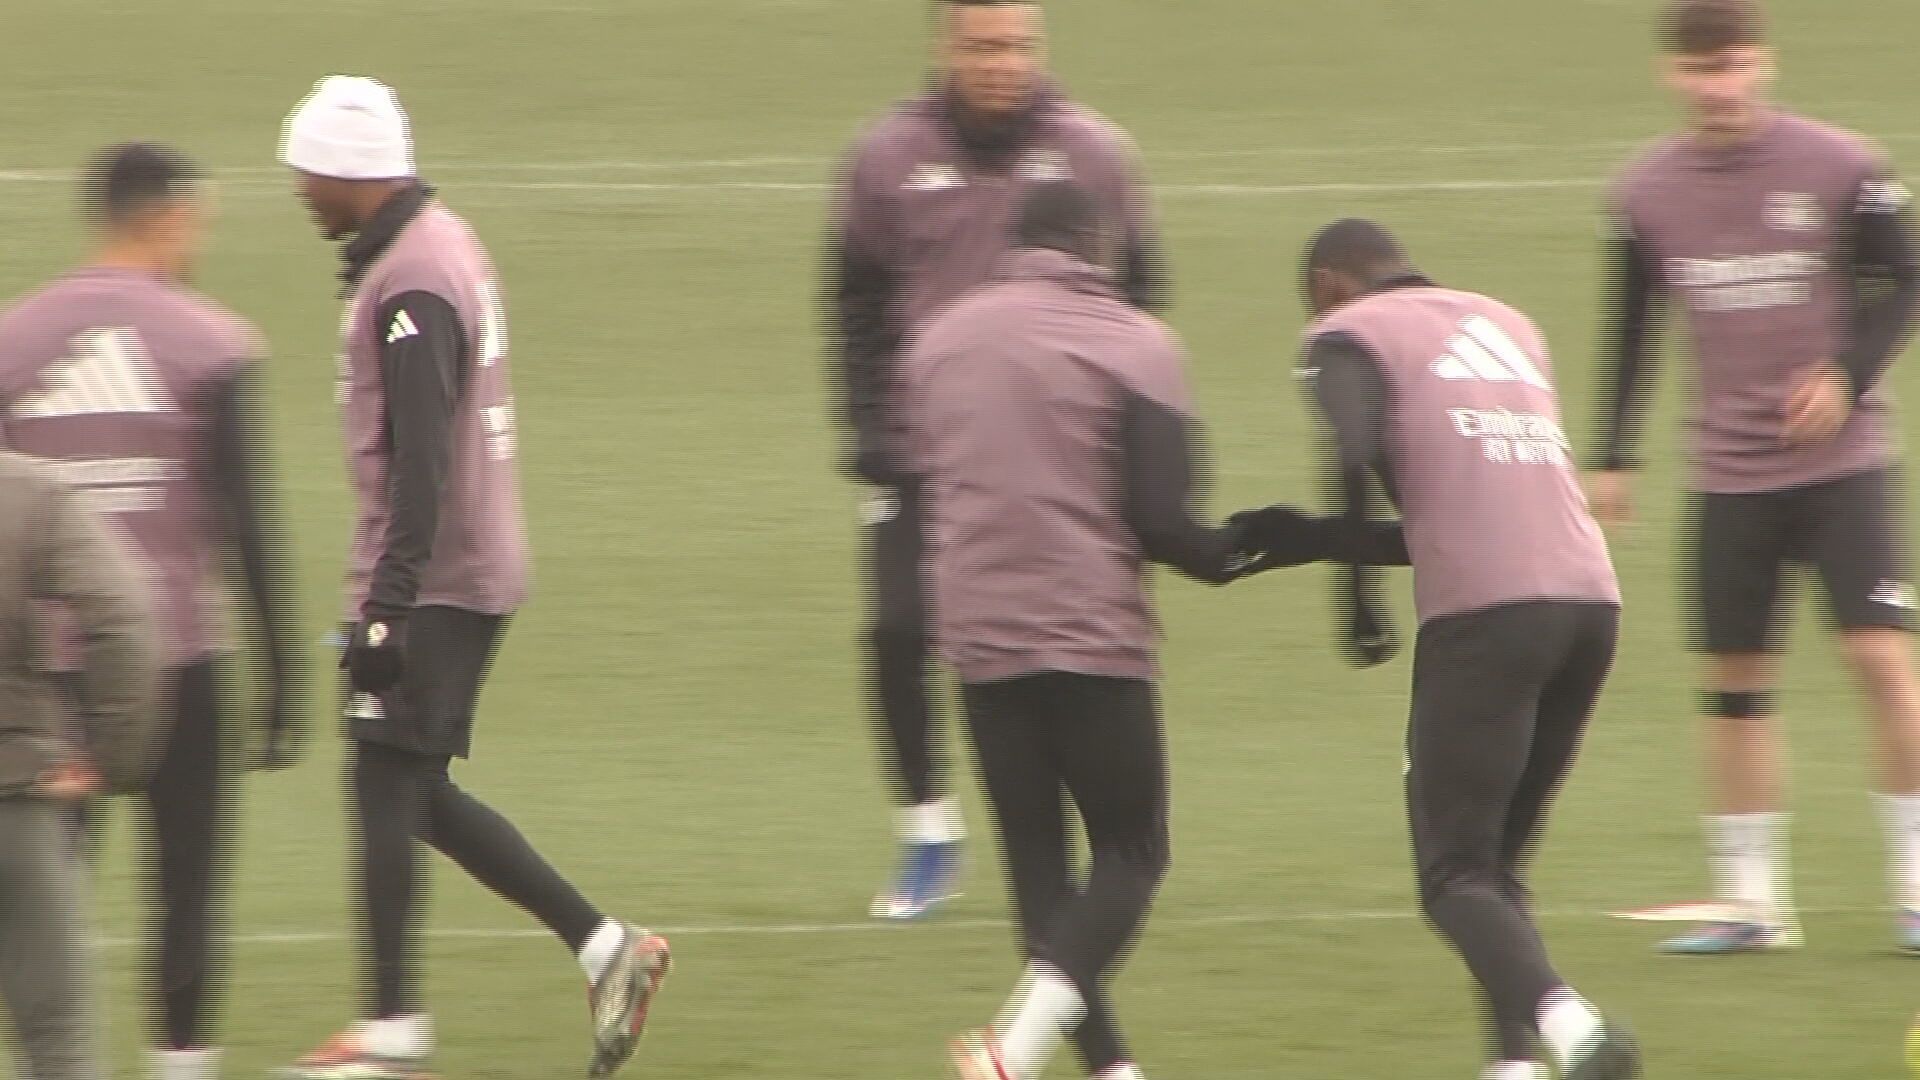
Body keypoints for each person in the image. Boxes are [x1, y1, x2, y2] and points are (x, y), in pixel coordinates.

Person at [274, 76, 668, 1080]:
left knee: (380, 781)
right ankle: (606, 948)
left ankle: (391, 1036)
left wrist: (386, 609)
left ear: (346, 170)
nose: (298, 189)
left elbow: (422, 458)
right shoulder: (433, 245)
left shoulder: (411, 279)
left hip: (436, 576)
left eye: (305, 171)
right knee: (408, 788)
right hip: (457, 565)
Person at [1237, 219, 1638, 1080]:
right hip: (1588, 608)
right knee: (1492, 872)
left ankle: (1576, 1034)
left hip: (1488, 621)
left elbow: (1348, 445)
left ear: (1328, 283)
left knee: (1453, 874)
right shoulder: (1511, 324)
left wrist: (1352, 596)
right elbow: (1473, 509)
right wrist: (1318, 540)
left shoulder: (1342, 334)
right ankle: (1513, 1066)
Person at [1589, 0, 1920, 954]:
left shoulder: (1843, 166)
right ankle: (1752, 907)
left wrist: (1847, 378)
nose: (1719, 87)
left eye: (1733, 66)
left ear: (1763, 63)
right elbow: (1631, 325)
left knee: (1878, 658)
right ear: (1671, 75)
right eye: (1700, 71)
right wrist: (1614, 452)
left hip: (1843, 467)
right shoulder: (1642, 193)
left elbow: (1905, 280)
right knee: (1734, 681)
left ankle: (1913, 887)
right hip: (1727, 477)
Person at [826, 0, 1169, 920]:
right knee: (898, 632)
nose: (1001, 63)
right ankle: (929, 828)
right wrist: (871, 432)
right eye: (982, 46)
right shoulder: (886, 157)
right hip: (925, 451)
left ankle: (1098, 844)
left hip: (1055, 459)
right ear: (945, 47)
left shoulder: (1095, 153)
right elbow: (855, 303)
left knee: (1063, 644)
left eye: (1017, 45)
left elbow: (1141, 299)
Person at [903, 181, 1247, 1080]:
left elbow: (920, 479)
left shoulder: (936, 342)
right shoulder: (1138, 341)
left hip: (977, 640)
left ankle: (1112, 1072)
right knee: (1134, 850)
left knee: (1042, 883)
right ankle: (1014, 1051)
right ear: (1096, 246)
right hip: (1093, 635)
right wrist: (1242, 553)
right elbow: (1166, 517)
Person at [0, 142, 306, 1080]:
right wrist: (284, 673)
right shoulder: (211, 341)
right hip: (180, 663)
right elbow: (247, 522)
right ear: (169, 216)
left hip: (51, 677)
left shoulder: (13, 341)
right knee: (187, 894)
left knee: (46, 896)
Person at [0, 450, 162, 1080]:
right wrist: (112, 753)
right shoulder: (27, 490)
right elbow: (120, 615)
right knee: (56, 1039)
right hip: (11, 793)